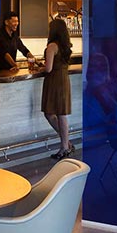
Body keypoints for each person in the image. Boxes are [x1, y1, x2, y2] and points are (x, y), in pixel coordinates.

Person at [42, 18, 73, 159]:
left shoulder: (52, 46)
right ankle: (66, 145)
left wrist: (39, 66)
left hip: (54, 81)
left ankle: (65, 146)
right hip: (63, 79)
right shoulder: (65, 46)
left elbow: (48, 68)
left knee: (50, 113)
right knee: (61, 114)